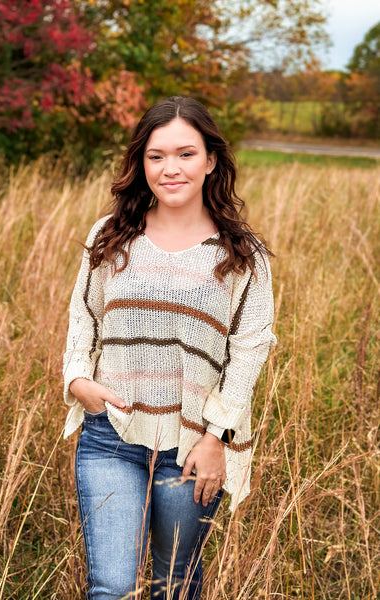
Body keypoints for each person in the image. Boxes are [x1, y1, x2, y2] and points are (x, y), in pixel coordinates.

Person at [63, 96, 276, 600]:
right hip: (110, 437)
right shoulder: (111, 235)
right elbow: (83, 317)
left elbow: (250, 349)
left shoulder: (242, 255)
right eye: (156, 156)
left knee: (173, 584)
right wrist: (76, 380)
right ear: (141, 163)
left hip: (191, 447)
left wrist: (216, 436)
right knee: (111, 587)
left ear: (211, 161)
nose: (169, 168)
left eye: (185, 154)